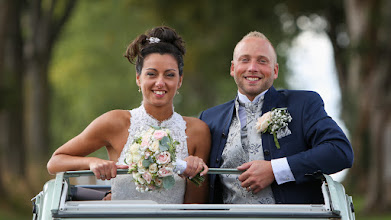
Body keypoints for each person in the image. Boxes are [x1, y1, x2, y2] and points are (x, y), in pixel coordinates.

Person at [47, 26, 210, 204]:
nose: (160, 82)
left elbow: (195, 207)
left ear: (180, 80)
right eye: (151, 74)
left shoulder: (197, 132)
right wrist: (92, 162)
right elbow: (55, 163)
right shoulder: (115, 122)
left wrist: (193, 171)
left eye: (169, 75)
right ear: (138, 78)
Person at [199, 31, 354, 204]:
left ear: (275, 71)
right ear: (233, 68)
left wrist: (275, 170)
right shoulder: (208, 118)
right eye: (245, 60)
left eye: (262, 61)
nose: (252, 67)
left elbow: (340, 151)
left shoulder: (304, 104)